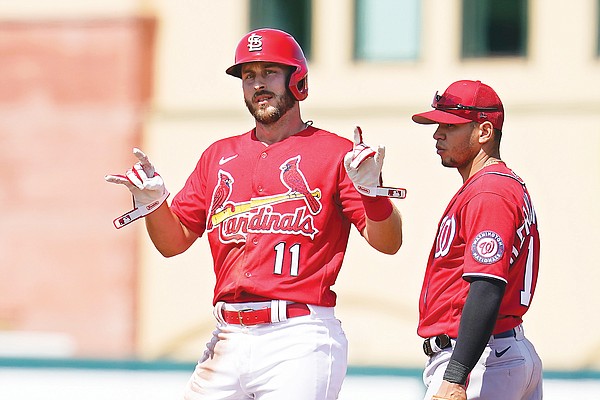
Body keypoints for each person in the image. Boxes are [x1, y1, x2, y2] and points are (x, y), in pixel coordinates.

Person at [105, 28, 403, 400]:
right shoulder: (219, 155)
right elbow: (173, 242)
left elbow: (388, 243)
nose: (257, 84)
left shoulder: (335, 152)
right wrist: (154, 204)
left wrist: (372, 194)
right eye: (248, 76)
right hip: (227, 336)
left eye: (269, 73)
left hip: (299, 336)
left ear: (298, 80)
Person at [411, 80, 543, 400]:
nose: (437, 133)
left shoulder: (490, 191)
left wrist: (456, 376)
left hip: (480, 360)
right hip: (501, 352)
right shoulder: (497, 184)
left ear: (484, 131)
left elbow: (486, 285)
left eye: (450, 125)